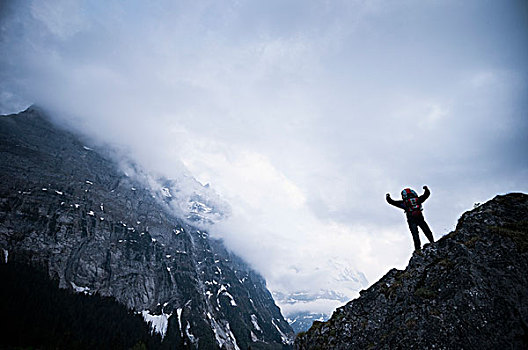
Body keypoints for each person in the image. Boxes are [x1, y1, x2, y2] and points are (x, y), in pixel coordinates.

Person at [386, 186, 434, 251]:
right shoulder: (418, 200)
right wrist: (426, 189)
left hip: (411, 220)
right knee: (426, 230)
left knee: (415, 234)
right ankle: (432, 242)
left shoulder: (404, 203)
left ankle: (417, 249)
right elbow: (426, 194)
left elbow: (392, 202)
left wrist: (388, 197)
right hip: (420, 218)